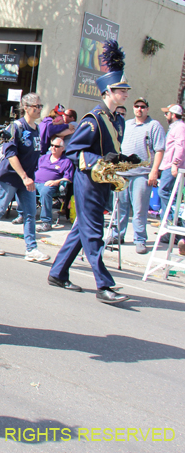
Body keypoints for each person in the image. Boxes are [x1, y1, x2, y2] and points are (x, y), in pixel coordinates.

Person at [48, 40, 133, 304]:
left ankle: (58, 272)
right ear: (108, 91)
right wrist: (100, 159)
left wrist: (121, 161)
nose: (126, 93)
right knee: (93, 232)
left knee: (81, 230)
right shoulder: (93, 119)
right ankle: (103, 284)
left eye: (126, 89)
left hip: (102, 181)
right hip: (87, 181)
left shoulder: (116, 120)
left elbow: (109, 150)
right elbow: (74, 151)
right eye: (121, 89)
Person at [0, 92, 50, 262]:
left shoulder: (37, 128)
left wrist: (30, 176)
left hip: (27, 177)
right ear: (25, 107)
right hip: (11, 176)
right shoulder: (16, 127)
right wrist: (24, 176)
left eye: (40, 106)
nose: (39, 109)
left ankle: (31, 248)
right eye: (36, 106)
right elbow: (11, 154)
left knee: (30, 213)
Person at [109, 97, 164, 254]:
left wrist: (154, 170)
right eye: (137, 106)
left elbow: (160, 150)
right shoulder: (127, 125)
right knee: (120, 206)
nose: (139, 109)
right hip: (122, 172)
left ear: (147, 109)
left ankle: (140, 239)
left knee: (139, 208)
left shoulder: (154, 126)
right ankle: (116, 235)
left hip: (141, 173)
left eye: (143, 106)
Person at [157, 104, 185, 251]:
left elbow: (181, 145)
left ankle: (175, 224)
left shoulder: (179, 127)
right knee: (167, 195)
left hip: (172, 166)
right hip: (168, 165)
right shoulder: (175, 127)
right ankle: (169, 229)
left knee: (165, 193)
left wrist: (175, 163)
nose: (165, 116)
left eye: (167, 113)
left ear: (173, 114)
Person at [33, 137, 74, 231]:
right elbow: (33, 169)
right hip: (35, 182)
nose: (53, 148)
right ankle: (22, 215)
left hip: (50, 184)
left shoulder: (66, 161)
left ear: (62, 148)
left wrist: (56, 182)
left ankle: (46, 222)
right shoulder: (43, 158)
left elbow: (68, 178)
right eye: (52, 145)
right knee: (22, 188)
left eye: (57, 146)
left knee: (45, 192)